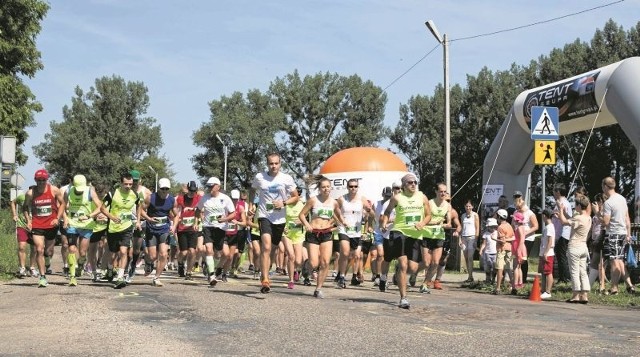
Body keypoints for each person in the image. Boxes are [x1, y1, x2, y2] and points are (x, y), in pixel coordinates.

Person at [381, 173, 432, 309]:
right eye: (410, 182)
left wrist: (422, 223)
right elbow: (387, 212)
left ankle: (399, 271)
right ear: (404, 185)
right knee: (404, 265)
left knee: (413, 267)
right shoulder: (397, 198)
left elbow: (428, 215)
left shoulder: (422, 197)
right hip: (400, 232)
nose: (413, 184)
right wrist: (384, 223)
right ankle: (403, 298)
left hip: (416, 234)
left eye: (415, 182)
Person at [251, 152, 299, 294]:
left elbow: (295, 197)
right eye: (271, 163)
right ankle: (265, 279)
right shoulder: (260, 177)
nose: (274, 166)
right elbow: (252, 189)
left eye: (276, 163)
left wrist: (283, 203)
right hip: (264, 216)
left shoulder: (286, 178)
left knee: (272, 249)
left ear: (280, 164)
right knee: (265, 246)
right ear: (267, 164)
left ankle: (265, 270)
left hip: (280, 219)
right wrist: (252, 204)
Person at [298, 175, 344, 298]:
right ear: (319, 188)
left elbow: (339, 216)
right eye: (323, 187)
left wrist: (342, 223)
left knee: (325, 262)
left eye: (328, 187)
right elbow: (301, 215)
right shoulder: (313, 200)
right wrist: (307, 224)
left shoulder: (334, 202)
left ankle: (318, 289)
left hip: (327, 233)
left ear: (331, 188)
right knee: (314, 263)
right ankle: (306, 266)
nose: (326, 189)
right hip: (313, 233)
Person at [99, 171, 142, 289]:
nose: (128, 186)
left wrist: (138, 221)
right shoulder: (112, 194)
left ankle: (120, 277)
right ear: (121, 183)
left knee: (124, 251)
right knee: (112, 254)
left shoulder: (134, 195)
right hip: (113, 228)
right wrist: (112, 217)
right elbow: (102, 208)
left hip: (127, 227)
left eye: (130, 184)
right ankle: (109, 269)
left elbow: (139, 206)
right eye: (126, 184)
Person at [23, 169, 65, 288]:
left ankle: (47, 261)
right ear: (35, 180)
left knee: (48, 251)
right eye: (39, 180)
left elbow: (63, 203)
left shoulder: (54, 190)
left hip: (51, 224)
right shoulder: (30, 193)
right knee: (39, 249)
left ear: (47, 180)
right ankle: (42, 277)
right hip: (37, 225)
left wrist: (58, 218)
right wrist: (28, 221)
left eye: (44, 180)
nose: (41, 182)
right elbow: (25, 207)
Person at [60, 174, 103, 286]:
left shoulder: (90, 191)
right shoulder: (68, 191)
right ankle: (72, 276)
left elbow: (100, 207)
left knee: (83, 253)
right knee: (72, 249)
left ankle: (81, 265)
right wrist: (65, 218)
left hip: (86, 225)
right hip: (72, 224)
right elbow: (62, 206)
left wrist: (89, 216)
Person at [138, 178, 179, 287]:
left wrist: (174, 227)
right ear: (159, 188)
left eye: (166, 189)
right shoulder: (151, 198)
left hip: (164, 229)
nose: (164, 191)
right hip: (151, 229)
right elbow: (141, 209)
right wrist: (148, 218)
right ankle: (148, 262)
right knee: (152, 256)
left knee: (164, 254)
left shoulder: (172, 200)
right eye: (162, 189)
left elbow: (176, 215)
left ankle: (156, 278)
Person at [196, 177, 236, 287]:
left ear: (218, 186)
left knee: (220, 254)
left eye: (212, 186)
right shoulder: (204, 198)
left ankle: (216, 268)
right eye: (209, 186)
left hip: (221, 228)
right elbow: (198, 210)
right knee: (209, 250)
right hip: (208, 227)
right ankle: (212, 276)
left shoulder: (226, 198)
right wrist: (199, 219)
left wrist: (225, 219)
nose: (210, 188)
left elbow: (233, 213)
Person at [336, 179, 371, 288]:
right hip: (344, 229)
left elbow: (369, 213)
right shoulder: (342, 199)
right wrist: (341, 221)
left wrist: (367, 214)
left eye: (355, 186)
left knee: (355, 255)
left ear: (358, 187)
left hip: (356, 231)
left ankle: (350, 275)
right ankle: (341, 277)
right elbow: (335, 211)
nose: (353, 188)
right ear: (347, 187)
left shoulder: (362, 199)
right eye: (351, 186)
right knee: (345, 253)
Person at [599, 177, 631, 295]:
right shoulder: (622, 199)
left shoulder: (608, 203)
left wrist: (598, 213)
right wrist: (628, 233)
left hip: (613, 233)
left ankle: (614, 288)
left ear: (605, 186)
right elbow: (627, 217)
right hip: (622, 232)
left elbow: (606, 222)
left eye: (602, 186)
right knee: (619, 260)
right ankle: (623, 285)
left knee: (614, 261)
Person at [557, 195, 591, 303]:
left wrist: (561, 210)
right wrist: (564, 214)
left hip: (574, 246)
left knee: (574, 271)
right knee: (583, 271)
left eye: (576, 205)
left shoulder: (578, 218)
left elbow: (563, 222)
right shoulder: (588, 217)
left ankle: (576, 294)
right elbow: (570, 219)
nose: (574, 206)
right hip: (583, 246)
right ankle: (584, 295)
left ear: (580, 206)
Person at [419, 183, 449, 292]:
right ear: (436, 192)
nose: (443, 193)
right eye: (441, 191)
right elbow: (422, 220)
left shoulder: (448, 205)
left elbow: (449, 223)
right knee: (426, 263)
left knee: (436, 262)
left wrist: (446, 225)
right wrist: (434, 223)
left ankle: (425, 284)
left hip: (439, 236)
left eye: (445, 191)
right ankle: (413, 273)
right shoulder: (429, 204)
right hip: (426, 235)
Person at [371, 185, 396, 289]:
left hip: (389, 231)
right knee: (380, 254)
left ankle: (384, 276)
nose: (387, 197)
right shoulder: (376, 204)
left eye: (389, 196)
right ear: (382, 195)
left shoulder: (394, 204)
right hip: (378, 231)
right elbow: (372, 217)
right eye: (386, 196)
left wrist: (389, 222)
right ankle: (377, 276)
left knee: (388, 257)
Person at [176, 181, 202, 280]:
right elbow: (176, 211)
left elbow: (201, 209)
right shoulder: (180, 199)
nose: (192, 193)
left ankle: (189, 272)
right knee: (184, 252)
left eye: (194, 191)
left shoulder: (198, 198)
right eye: (190, 191)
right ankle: (180, 263)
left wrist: (196, 221)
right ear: (187, 189)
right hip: (182, 228)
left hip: (193, 228)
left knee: (192, 251)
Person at [513, 191, 539, 283]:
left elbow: (536, 226)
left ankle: (523, 278)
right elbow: (513, 225)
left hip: (528, 238)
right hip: (518, 237)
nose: (517, 208)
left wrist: (526, 233)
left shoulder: (529, 213)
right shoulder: (515, 212)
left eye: (519, 207)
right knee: (517, 258)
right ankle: (518, 279)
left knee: (523, 258)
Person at [222, 189, 247, 279]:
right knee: (222, 254)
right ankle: (217, 268)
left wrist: (237, 222)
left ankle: (224, 273)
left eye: (236, 199)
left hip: (234, 234)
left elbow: (244, 223)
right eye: (233, 199)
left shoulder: (240, 208)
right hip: (223, 233)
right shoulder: (225, 205)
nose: (234, 201)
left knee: (230, 256)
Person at [283, 187, 305, 289]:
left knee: (298, 260)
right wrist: (283, 228)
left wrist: (301, 221)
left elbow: (307, 218)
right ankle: (291, 280)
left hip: (299, 234)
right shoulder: (285, 204)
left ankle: (296, 270)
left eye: (299, 193)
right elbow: (279, 218)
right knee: (291, 256)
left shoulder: (303, 204)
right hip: (287, 233)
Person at [11, 189, 35, 278]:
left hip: (35, 227)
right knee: (22, 246)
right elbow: (13, 202)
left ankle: (32, 268)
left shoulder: (39, 199)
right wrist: (14, 215)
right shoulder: (22, 197)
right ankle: (22, 267)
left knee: (35, 248)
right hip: (22, 225)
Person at [552, 183, 572, 284]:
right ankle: (561, 277)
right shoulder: (558, 203)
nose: (553, 193)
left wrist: (560, 213)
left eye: (554, 191)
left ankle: (565, 278)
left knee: (562, 256)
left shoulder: (564, 203)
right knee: (559, 256)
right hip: (558, 232)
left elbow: (568, 218)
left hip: (563, 233)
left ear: (558, 192)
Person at [492, 209, 514, 294]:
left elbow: (502, 241)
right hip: (509, 248)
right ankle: (513, 287)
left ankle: (497, 288)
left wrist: (494, 238)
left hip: (501, 249)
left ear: (499, 217)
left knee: (500, 268)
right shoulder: (509, 225)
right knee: (508, 268)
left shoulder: (500, 227)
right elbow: (513, 238)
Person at [588, 193, 607, 293]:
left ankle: (601, 286)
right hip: (596, 238)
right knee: (594, 263)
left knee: (599, 263)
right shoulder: (598, 211)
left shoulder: (604, 210)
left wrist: (596, 212)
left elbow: (604, 222)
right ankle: (590, 285)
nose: (597, 203)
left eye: (598, 201)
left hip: (602, 237)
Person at [459, 199, 479, 282]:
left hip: (472, 238)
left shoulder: (475, 215)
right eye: (466, 206)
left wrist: (476, 240)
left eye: (469, 206)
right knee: (466, 258)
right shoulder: (463, 216)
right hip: (464, 238)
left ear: (472, 206)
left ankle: (471, 276)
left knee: (470, 257)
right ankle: (469, 276)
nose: (468, 207)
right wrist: (460, 239)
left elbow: (477, 228)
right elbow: (461, 228)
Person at [539, 208, 556, 300]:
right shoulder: (547, 226)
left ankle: (548, 291)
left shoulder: (549, 227)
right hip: (544, 252)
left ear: (544, 216)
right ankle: (543, 290)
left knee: (548, 272)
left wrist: (545, 252)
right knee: (544, 272)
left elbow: (550, 241)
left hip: (548, 253)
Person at [478, 218, 498, 284]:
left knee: (495, 267)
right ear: (488, 227)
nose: (492, 228)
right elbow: (484, 243)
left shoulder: (497, 233)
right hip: (487, 252)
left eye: (493, 227)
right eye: (490, 227)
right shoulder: (486, 234)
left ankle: (493, 279)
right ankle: (488, 279)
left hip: (495, 252)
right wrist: (481, 250)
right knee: (487, 267)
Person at [511, 212, 527, 290]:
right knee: (519, 267)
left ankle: (515, 284)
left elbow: (521, 240)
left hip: (518, 248)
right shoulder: (521, 227)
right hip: (519, 248)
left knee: (516, 267)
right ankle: (520, 283)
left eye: (514, 219)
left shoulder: (520, 228)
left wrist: (518, 250)